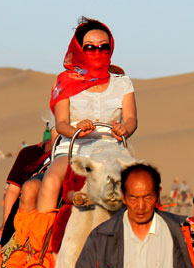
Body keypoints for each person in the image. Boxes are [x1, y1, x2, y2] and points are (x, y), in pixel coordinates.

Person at [35, 18, 137, 218]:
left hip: (110, 149)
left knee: (143, 186)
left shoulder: (123, 83)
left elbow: (132, 119)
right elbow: (61, 123)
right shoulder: (64, 81)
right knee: (51, 182)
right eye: (90, 47)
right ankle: (41, 244)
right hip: (73, 149)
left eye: (103, 47)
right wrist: (76, 131)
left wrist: (125, 128)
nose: (97, 52)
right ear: (79, 49)